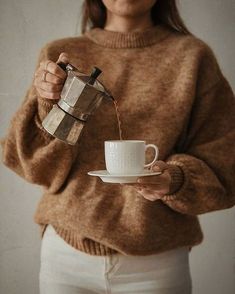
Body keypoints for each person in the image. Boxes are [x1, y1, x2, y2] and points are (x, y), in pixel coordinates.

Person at [1, 0, 235, 293]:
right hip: (65, 256)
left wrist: (174, 180)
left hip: (157, 264)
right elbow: (31, 166)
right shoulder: (59, 56)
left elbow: (226, 164)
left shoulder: (193, 57)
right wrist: (49, 104)